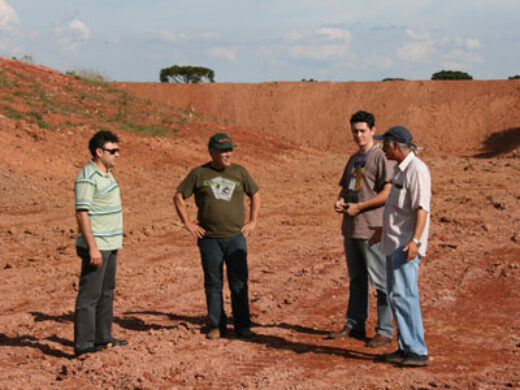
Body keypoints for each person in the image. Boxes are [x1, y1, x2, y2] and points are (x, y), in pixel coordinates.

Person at [173, 133, 260, 340]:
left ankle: (242, 325)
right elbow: (178, 196)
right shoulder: (199, 173)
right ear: (211, 152)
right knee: (213, 283)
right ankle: (216, 325)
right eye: (223, 151)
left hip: (236, 237)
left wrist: (253, 221)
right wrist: (188, 224)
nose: (228, 154)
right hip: (209, 239)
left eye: (230, 150)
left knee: (239, 282)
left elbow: (255, 193)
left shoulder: (240, 172)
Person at [327, 111, 395, 348]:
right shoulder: (354, 158)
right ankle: (355, 324)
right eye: (355, 131)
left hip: (372, 228)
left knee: (381, 283)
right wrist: (340, 201)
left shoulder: (381, 157)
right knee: (357, 279)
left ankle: (385, 330)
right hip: (351, 227)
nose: (359, 135)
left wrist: (360, 207)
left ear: (373, 131)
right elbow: (345, 188)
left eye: (363, 130)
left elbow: (387, 193)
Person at [369, 126, 431, 367]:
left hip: (405, 246)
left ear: (395, 145)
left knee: (406, 296)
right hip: (393, 242)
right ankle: (406, 347)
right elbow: (397, 211)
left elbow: (422, 209)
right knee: (397, 296)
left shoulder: (417, 170)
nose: (382, 148)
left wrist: (415, 241)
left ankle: (416, 350)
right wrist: (381, 231)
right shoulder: (399, 170)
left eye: (384, 144)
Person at [73, 130, 128, 357]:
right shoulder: (88, 176)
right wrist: (93, 247)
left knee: (106, 292)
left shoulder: (106, 173)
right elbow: (82, 213)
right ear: (99, 152)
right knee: (89, 296)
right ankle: (84, 346)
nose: (117, 155)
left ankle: (102, 338)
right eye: (112, 151)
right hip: (97, 246)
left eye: (118, 150)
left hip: (111, 243)